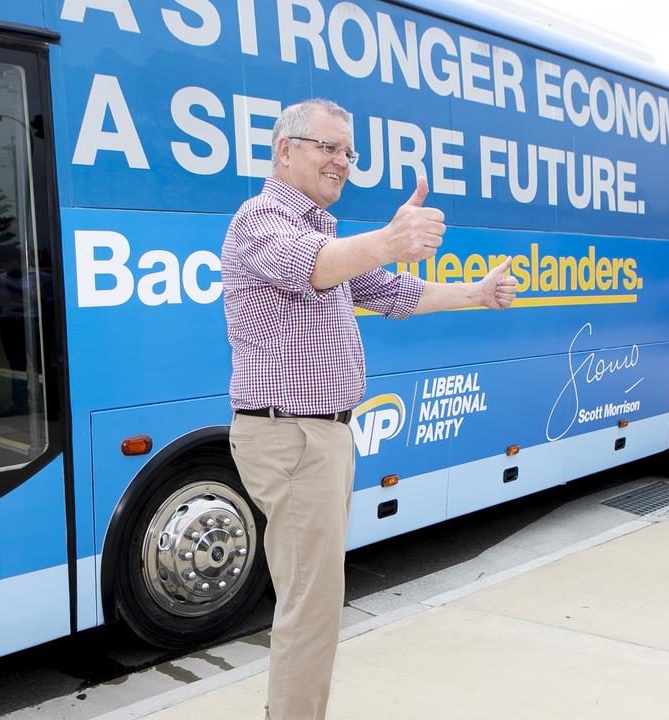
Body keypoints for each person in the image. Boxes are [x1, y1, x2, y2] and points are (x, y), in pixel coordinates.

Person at [222, 98, 518, 720]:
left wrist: (476, 291)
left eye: (347, 152)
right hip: (295, 438)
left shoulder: (320, 231)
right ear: (284, 150)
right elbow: (316, 267)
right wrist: (388, 239)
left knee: (312, 603)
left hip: (314, 438)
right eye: (326, 147)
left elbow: (394, 292)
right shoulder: (261, 219)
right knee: (312, 608)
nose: (340, 162)